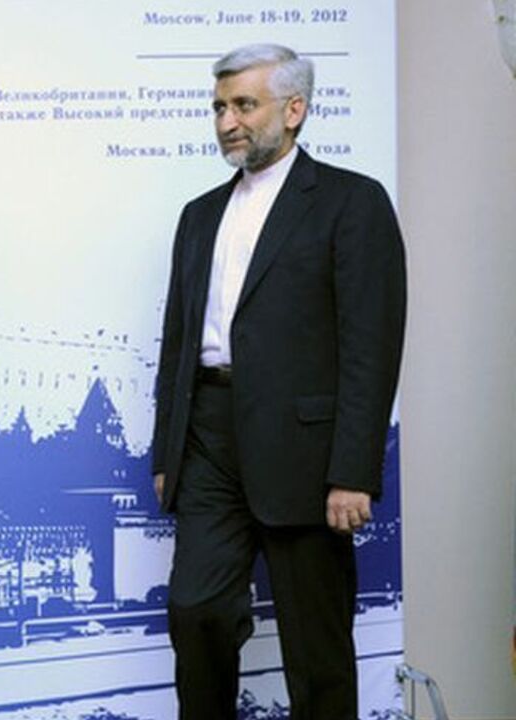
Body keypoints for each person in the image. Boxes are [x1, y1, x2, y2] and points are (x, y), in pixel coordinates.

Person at [151, 44, 406, 719]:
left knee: (316, 648)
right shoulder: (198, 215)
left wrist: (353, 469)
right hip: (208, 438)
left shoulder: (353, 203)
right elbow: (177, 344)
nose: (227, 121)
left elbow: (370, 348)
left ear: (294, 110)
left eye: (243, 104)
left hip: (306, 452)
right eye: (218, 107)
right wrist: (165, 454)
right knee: (196, 611)